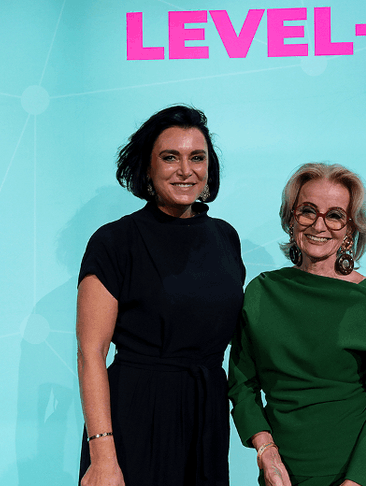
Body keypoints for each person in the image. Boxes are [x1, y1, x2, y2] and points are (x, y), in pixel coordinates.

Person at [76, 105, 245, 486]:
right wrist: (103, 456)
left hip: (206, 418)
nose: (186, 170)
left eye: (197, 157)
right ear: (147, 168)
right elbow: (90, 353)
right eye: (170, 157)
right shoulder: (114, 241)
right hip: (135, 416)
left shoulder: (225, 237)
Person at [228, 163, 366, 486]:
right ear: (291, 219)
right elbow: (242, 383)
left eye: (335, 215)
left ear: (350, 230)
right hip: (277, 474)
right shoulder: (261, 293)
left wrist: (358, 482)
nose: (319, 225)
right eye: (307, 211)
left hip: (350, 475)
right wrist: (266, 451)